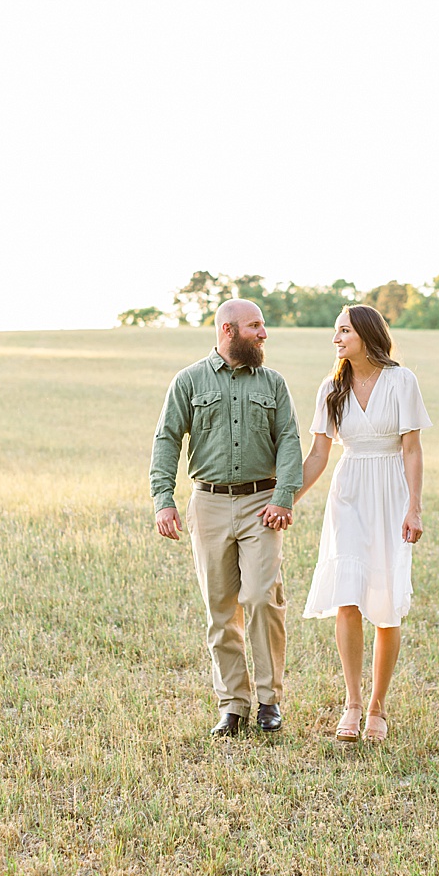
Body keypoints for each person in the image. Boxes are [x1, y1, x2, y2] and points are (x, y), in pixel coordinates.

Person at [150, 299, 304, 738]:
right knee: (221, 610)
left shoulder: (273, 384)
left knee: (260, 598)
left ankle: (269, 700)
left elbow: (289, 440)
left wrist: (283, 497)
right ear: (227, 330)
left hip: (262, 505)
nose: (263, 333)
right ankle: (232, 706)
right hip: (209, 504)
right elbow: (166, 440)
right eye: (255, 326)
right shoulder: (188, 381)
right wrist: (164, 499)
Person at [293, 304, 430, 744]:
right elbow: (318, 455)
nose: (336, 339)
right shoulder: (330, 388)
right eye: (335, 331)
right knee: (347, 594)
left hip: (390, 492)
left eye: (344, 330)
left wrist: (415, 507)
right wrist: (287, 499)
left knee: (386, 604)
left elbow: (411, 449)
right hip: (348, 492)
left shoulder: (401, 381)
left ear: (367, 333)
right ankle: (352, 702)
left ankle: (377, 706)